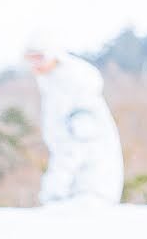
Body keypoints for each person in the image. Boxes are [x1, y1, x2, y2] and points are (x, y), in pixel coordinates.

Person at [22, 46, 124, 206]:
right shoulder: (53, 86)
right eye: (30, 59)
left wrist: (55, 186)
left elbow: (76, 147)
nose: (35, 64)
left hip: (90, 190)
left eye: (39, 58)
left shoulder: (75, 90)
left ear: (53, 56)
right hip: (77, 190)